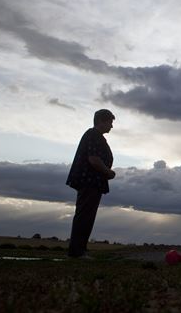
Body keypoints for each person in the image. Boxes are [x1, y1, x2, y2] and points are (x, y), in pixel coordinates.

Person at [66, 109, 116, 258]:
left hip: (93, 182)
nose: (111, 126)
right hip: (89, 181)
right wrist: (108, 172)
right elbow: (93, 159)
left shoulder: (96, 136)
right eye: (110, 122)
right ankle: (77, 252)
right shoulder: (93, 135)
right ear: (101, 121)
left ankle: (80, 249)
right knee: (85, 215)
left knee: (87, 215)